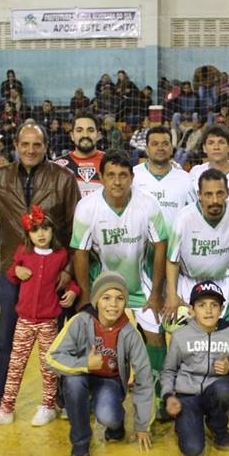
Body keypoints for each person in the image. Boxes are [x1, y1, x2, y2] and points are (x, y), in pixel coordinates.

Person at [0, 121, 80, 413]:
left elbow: (77, 229)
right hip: (13, 273)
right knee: (7, 337)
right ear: (16, 146)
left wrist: (68, 270)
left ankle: (58, 398)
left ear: (46, 147)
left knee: (54, 341)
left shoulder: (64, 179)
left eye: (37, 145)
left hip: (53, 276)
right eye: (25, 144)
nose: (31, 150)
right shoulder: (0, 177)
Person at [71, 149, 169, 394]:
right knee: (101, 339)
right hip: (103, 285)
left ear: (132, 177)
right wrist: (84, 297)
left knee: (155, 334)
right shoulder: (86, 207)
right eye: (111, 175)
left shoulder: (148, 203)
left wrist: (157, 293)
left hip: (140, 283)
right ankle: (101, 390)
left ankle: (158, 391)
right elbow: (80, 253)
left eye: (123, 175)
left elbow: (161, 245)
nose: (117, 181)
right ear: (101, 178)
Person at [0, 206, 79, 429]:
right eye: (35, 230)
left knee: (48, 367)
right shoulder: (24, 254)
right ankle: (6, 409)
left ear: (52, 231)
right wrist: (17, 272)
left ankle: (48, 406)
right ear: (28, 234)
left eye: (45, 228)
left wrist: (73, 291)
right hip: (24, 321)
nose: (41, 234)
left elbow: (68, 281)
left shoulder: (60, 256)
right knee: (15, 365)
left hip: (48, 322)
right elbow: (12, 274)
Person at [46, 273, 154, 456]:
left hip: (109, 382)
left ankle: (116, 425)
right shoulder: (80, 321)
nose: (113, 304)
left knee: (108, 416)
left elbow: (144, 379)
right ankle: (80, 443)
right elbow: (52, 357)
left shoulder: (130, 333)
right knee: (73, 381)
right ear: (97, 300)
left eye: (119, 298)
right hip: (82, 376)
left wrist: (142, 425)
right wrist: (85, 365)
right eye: (106, 298)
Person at [162, 281, 229, 456]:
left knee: (224, 389)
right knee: (193, 450)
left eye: (214, 305)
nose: (208, 310)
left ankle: (218, 426)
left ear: (222, 309)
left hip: (215, 390)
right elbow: (168, 371)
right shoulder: (180, 336)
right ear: (192, 310)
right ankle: (185, 420)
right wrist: (168, 396)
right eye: (202, 305)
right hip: (187, 395)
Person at [164, 169, 229, 327]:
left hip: (227, 283)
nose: (215, 200)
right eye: (208, 194)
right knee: (193, 344)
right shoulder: (184, 218)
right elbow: (172, 260)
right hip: (190, 284)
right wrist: (171, 295)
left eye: (220, 193)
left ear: (228, 193)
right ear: (199, 194)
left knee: (224, 341)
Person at [132, 125, 191, 224]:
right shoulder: (133, 176)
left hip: (175, 239)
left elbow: (194, 214)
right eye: (155, 144)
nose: (160, 148)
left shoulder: (185, 178)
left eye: (165, 144)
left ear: (172, 148)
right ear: (146, 149)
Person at [53, 113, 104, 197]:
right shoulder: (57, 166)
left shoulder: (110, 162)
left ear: (98, 135)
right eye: (79, 130)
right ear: (72, 136)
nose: (85, 135)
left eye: (90, 130)